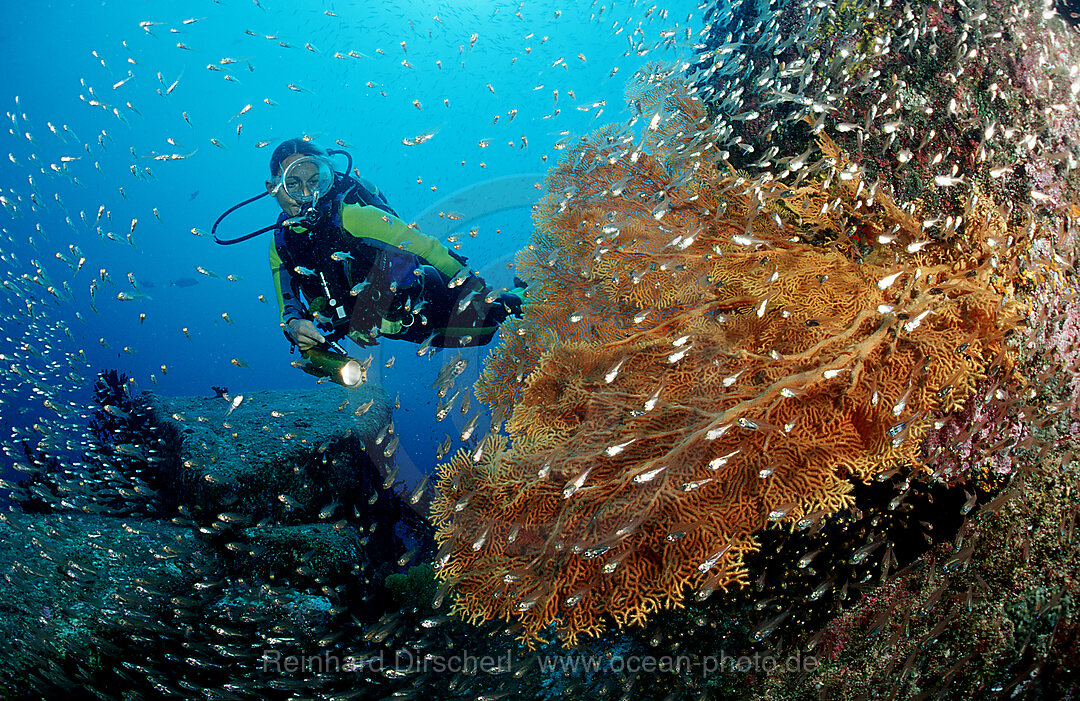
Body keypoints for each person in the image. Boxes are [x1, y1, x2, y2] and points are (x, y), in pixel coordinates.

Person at [263, 138, 524, 352]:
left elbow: (428, 249)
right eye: (292, 184)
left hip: (424, 298)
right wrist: (295, 326)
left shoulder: (354, 217)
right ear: (272, 187)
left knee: (491, 323)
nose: (306, 195)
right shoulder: (280, 245)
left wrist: (478, 291)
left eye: (315, 182)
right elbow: (288, 306)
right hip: (397, 329)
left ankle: (530, 295)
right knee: (471, 335)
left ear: (328, 179)